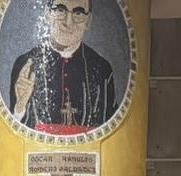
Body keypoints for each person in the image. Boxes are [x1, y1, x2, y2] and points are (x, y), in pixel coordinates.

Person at [9, 0, 118, 135]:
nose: (68, 22)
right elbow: (13, 132)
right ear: (47, 15)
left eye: (78, 13)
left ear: (88, 21)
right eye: (60, 10)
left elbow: (111, 127)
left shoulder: (102, 69)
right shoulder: (25, 65)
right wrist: (20, 107)